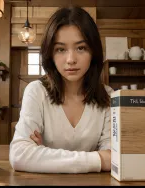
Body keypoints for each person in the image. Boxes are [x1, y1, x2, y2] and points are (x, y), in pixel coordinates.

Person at [9, 6, 113, 173]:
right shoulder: (36, 91)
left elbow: (113, 157)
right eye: (61, 49)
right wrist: (98, 159)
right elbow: (19, 155)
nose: (71, 59)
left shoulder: (108, 96)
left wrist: (44, 156)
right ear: (50, 54)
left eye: (81, 48)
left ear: (93, 52)